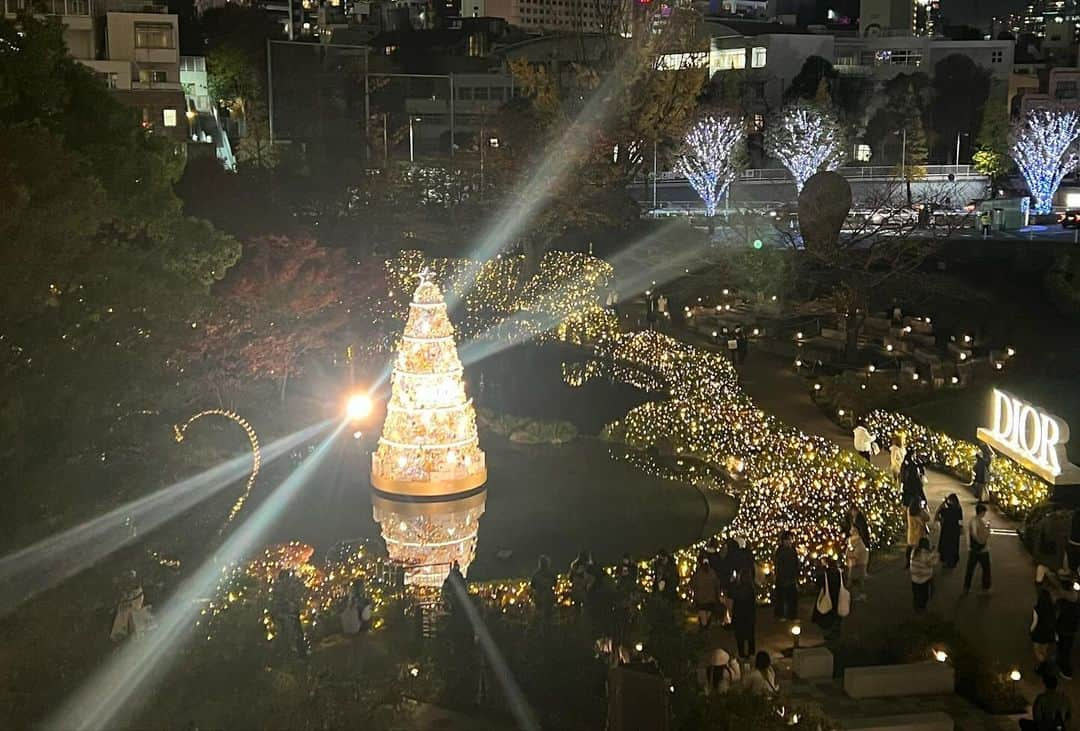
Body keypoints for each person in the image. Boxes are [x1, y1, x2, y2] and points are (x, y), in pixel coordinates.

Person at [272, 569, 308, 658]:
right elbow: (277, 605)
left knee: (298, 635)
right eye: (286, 578)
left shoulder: (288, 588)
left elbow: (295, 600)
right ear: (283, 578)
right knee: (290, 637)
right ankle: (294, 656)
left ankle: (301, 655)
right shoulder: (279, 590)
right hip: (286, 618)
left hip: (293, 616)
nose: (288, 580)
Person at [964, 502, 993, 594]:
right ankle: (985, 586)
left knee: (971, 568)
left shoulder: (976, 520)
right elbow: (975, 535)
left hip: (976, 549)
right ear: (981, 512)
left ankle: (967, 586)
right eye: (984, 512)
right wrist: (982, 540)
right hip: (980, 549)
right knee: (985, 568)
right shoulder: (977, 521)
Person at [110, 570, 145, 641]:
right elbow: (124, 596)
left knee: (133, 616)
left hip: (134, 604)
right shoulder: (124, 586)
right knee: (123, 615)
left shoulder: (136, 586)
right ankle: (120, 633)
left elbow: (136, 596)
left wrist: (129, 603)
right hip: (127, 605)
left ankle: (136, 634)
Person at [845, 506, 871, 601]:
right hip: (856, 562)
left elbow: (857, 552)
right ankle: (858, 594)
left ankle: (861, 594)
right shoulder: (852, 540)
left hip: (858, 562)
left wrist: (851, 556)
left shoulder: (858, 541)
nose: (850, 531)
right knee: (857, 578)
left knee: (858, 579)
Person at [691, 553, 723, 630]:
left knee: (703, 623)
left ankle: (703, 637)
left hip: (701, 601)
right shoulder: (712, 573)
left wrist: (695, 598)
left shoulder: (698, 574)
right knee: (706, 620)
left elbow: (694, 586)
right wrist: (717, 596)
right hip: (711, 600)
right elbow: (717, 585)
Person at [773, 531, 800, 621]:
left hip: (791, 577)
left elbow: (796, 563)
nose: (789, 542)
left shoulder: (793, 550)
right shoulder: (780, 551)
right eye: (787, 540)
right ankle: (781, 615)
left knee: (792, 598)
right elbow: (778, 565)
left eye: (790, 540)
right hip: (783, 578)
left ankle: (792, 615)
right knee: (782, 597)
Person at [812, 558, 842, 636]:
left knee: (826, 611)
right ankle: (834, 628)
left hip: (827, 594)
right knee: (834, 612)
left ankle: (827, 628)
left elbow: (819, 583)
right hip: (836, 596)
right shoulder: (838, 572)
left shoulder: (826, 573)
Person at [731, 570, 757, 658]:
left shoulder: (739, 590)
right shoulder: (751, 590)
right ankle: (750, 653)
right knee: (749, 637)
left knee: (740, 638)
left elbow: (735, 604)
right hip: (748, 617)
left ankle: (742, 654)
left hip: (740, 617)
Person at [909, 538, 939, 612]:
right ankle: (922, 607)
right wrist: (934, 552)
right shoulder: (926, 555)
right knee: (924, 594)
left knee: (916, 593)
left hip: (914, 578)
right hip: (924, 579)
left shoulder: (914, 552)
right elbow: (934, 562)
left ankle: (916, 606)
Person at [935, 493, 964, 569]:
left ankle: (947, 561)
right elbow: (960, 520)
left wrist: (943, 503)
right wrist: (961, 528)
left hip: (946, 530)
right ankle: (952, 561)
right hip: (955, 531)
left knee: (946, 546)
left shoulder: (946, 510)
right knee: (954, 546)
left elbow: (937, 515)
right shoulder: (958, 509)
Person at [1033, 589, 1058, 675]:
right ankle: (1043, 665)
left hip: (1039, 632)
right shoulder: (1053, 608)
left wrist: (1031, 631)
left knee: (1037, 650)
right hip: (1049, 632)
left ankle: (1043, 665)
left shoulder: (1037, 608)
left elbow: (1034, 622)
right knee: (1044, 650)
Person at [1058, 585, 1080, 680]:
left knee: (1063, 648)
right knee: (1066, 648)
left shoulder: (1062, 605)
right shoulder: (1076, 607)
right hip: (1071, 631)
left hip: (1063, 630)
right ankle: (1062, 663)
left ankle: (1063, 666)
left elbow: (1058, 618)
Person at [906, 498, 930, 568]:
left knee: (910, 548)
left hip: (911, 533)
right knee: (920, 550)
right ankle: (919, 564)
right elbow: (927, 518)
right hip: (919, 534)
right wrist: (923, 509)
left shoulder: (909, 511)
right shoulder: (920, 512)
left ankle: (908, 562)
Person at [530, 555, 557, 619]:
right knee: (548, 616)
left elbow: (532, 586)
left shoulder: (536, 574)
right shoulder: (551, 574)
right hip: (548, 597)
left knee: (540, 616)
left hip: (539, 597)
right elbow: (555, 584)